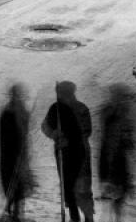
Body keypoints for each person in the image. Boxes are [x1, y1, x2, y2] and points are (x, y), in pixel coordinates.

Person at [41, 80, 95, 222]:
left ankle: (89, 218)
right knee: (68, 188)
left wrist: (70, 137)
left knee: (83, 188)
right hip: (63, 154)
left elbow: (87, 130)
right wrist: (54, 134)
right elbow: (45, 126)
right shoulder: (55, 109)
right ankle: (74, 217)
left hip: (80, 153)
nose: (63, 96)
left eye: (65, 93)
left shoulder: (81, 108)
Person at [97, 84, 136, 219]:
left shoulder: (123, 114)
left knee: (119, 197)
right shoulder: (108, 112)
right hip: (109, 159)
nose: (122, 100)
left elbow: (128, 141)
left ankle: (117, 217)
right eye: (120, 97)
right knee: (111, 195)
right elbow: (108, 134)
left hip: (119, 160)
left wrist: (128, 140)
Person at [0, 83, 35, 222]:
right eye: (18, 94)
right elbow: (8, 136)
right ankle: (13, 210)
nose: (20, 97)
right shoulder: (8, 112)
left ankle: (16, 212)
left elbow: (24, 132)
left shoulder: (19, 111)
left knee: (19, 185)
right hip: (11, 154)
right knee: (12, 182)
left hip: (19, 154)